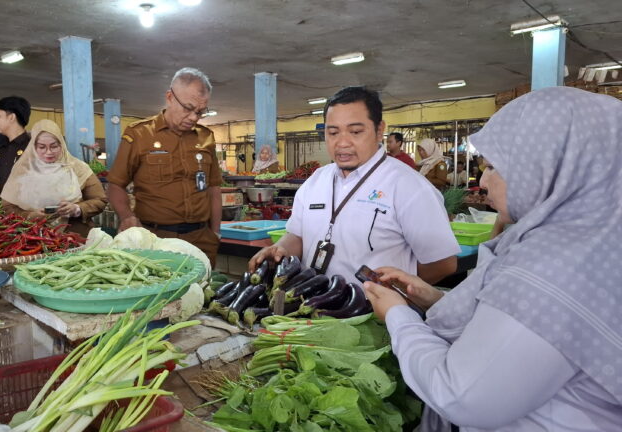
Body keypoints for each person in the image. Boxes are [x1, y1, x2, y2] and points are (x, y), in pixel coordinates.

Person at [363, 87, 622, 431]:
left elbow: (462, 395)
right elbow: (521, 331)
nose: (483, 180)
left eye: (497, 166)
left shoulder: (557, 266)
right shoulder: (596, 243)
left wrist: (398, 316)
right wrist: (435, 298)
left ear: (553, 165)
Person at [249, 86, 459, 284]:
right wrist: (279, 248)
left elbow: (443, 264)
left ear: (379, 131)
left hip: (376, 317)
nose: (342, 142)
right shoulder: (316, 181)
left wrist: (393, 295)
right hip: (311, 310)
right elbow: (298, 236)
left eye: (355, 132)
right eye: (333, 133)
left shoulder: (409, 186)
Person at [106, 67, 222, 265]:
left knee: (203, 293)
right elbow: (115, 184)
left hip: (201, 240)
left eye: (200, 112)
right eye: (188, 108)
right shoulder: (139, 134)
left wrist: (215, 234)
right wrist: (127, 217)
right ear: (170, 97)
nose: (194, 117)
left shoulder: (206, 137)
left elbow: (213, 189)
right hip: (156, 240)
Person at [1, 119, 107, 236]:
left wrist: (77, 209)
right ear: (34, 147)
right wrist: (30, 216)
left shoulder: (78, 168)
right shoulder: (22, 171)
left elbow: (100, 200)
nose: (49, 152)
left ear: (61, 145)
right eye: (42, 147)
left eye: (54, 146)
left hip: (74, 235)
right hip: (32, 237)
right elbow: (8, 207)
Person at [0, 96, 31, 194]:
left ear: (11, 117)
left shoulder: (33, 147)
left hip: (26, 208)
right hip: (2, 208)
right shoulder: (1, 151)